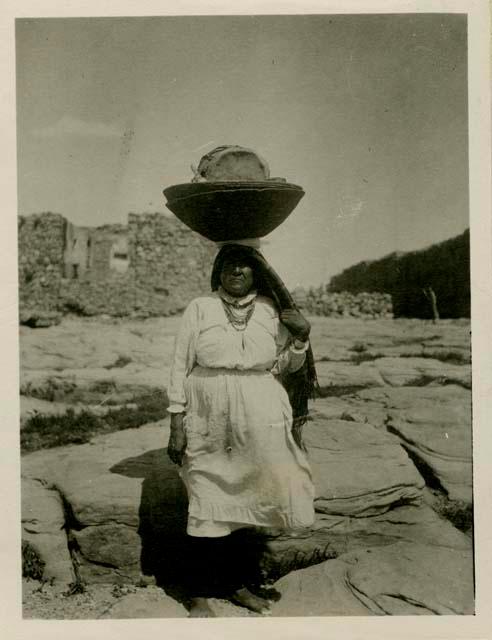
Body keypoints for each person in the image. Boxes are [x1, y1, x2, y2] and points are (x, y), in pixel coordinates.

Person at [166, 241, 317, 617]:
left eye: (245, 266)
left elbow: (287, 367)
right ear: (218, 271)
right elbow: (178, 365)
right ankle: (197, 591)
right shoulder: (200, 308)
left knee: (250, 495)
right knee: (205, 492)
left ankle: (235, 585)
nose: (237, 271)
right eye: (229, 265)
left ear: (257, 273)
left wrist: (301, 337)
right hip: (207, 410)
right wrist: (176, 422)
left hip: (260, 409)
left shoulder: (270, 311)